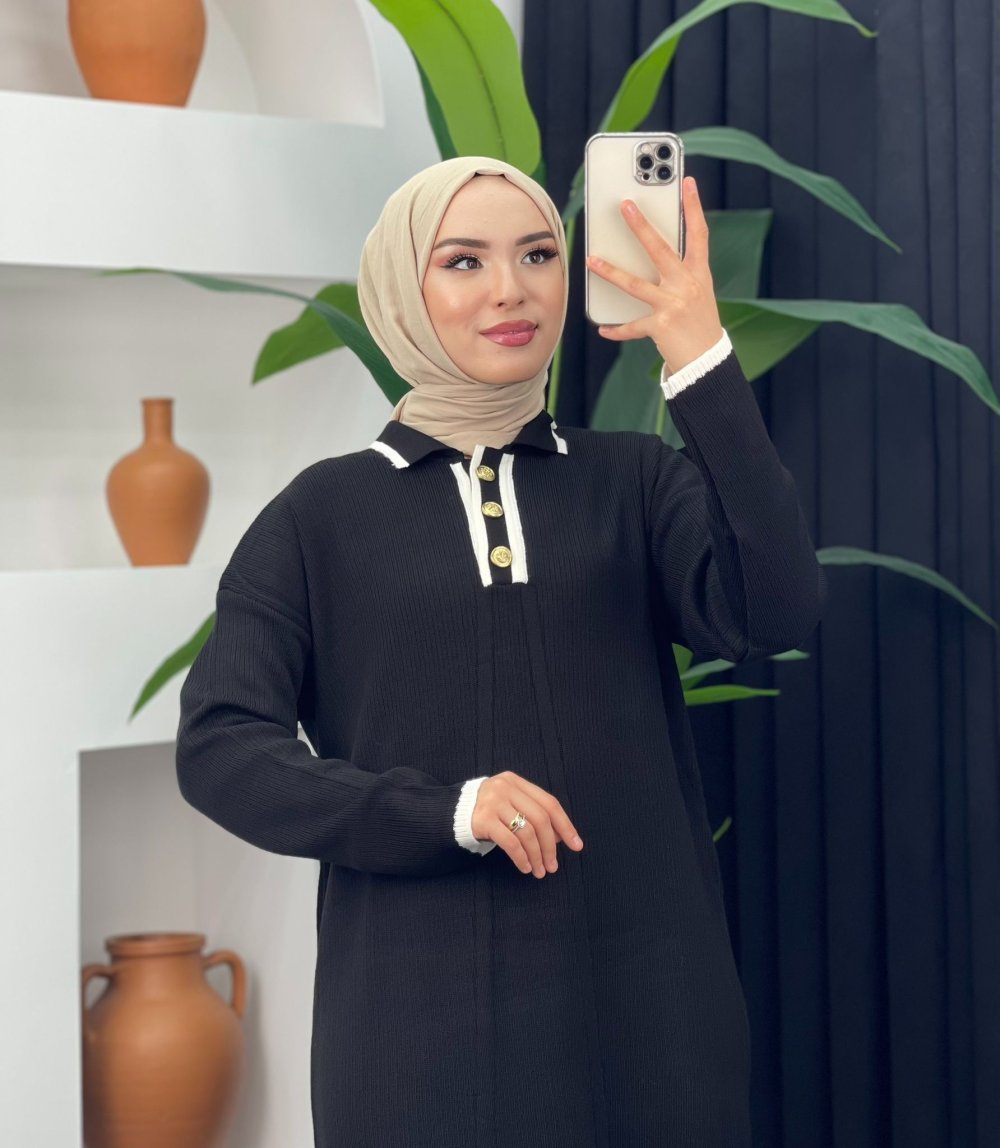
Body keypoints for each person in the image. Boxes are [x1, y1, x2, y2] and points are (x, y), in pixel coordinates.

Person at [175, 155, 827, 1147]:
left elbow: (772, 611)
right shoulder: (318, 517)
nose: (511, 289)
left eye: (536, 255)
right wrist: (445, 808)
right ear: (402, 288)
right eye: (463, 260)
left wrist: (700, 358)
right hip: (415, 1033)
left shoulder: (634, 482)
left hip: (650, 1019)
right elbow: (221, 746)